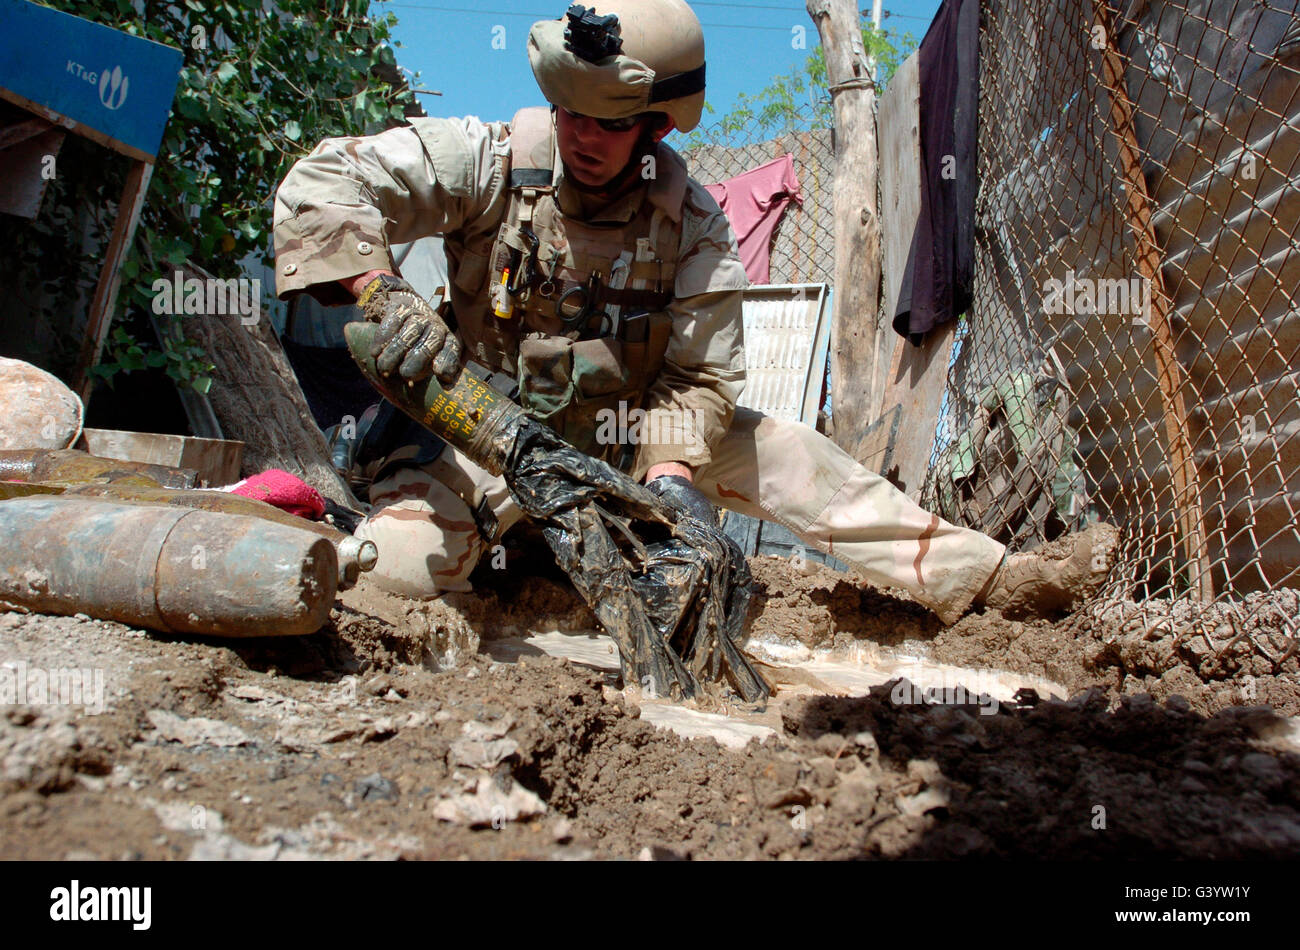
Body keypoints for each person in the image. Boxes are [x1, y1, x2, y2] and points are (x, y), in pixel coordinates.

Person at [273, 0, 1114, 624]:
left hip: (633, 441)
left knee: (796, 460)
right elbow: (322, 182)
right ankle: (480, 549)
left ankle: (994, 578)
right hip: (484, 438)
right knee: (404, 570)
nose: (581, 135)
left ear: (658, 127)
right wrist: (377, 291)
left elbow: (701, 376)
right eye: (569, 112)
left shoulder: (693, 221)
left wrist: (669, 490)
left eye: (609, 122)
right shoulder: (488, 161)